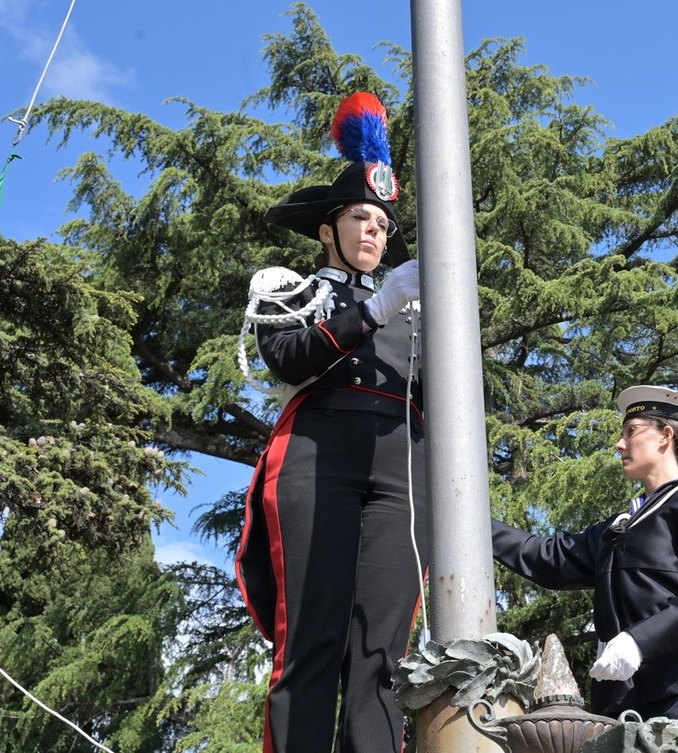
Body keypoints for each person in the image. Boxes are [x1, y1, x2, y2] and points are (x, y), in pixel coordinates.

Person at [235, 93, 427, 753]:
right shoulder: (292, 289)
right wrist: (374, 312)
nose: (374, 231)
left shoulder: (415, 310)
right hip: (318, 457)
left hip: (402, 467)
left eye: (382, 223)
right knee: (312, 637)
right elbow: (289, 357)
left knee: (384, 651)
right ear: (327, 230)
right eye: (359, 218)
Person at [491, 385, 678, 752]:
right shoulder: (620, 525)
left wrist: (639, 641)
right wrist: (474, 523)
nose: (619, 444)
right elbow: (547, 558)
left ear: (665, 436)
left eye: (631, 431)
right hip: (619, 710)